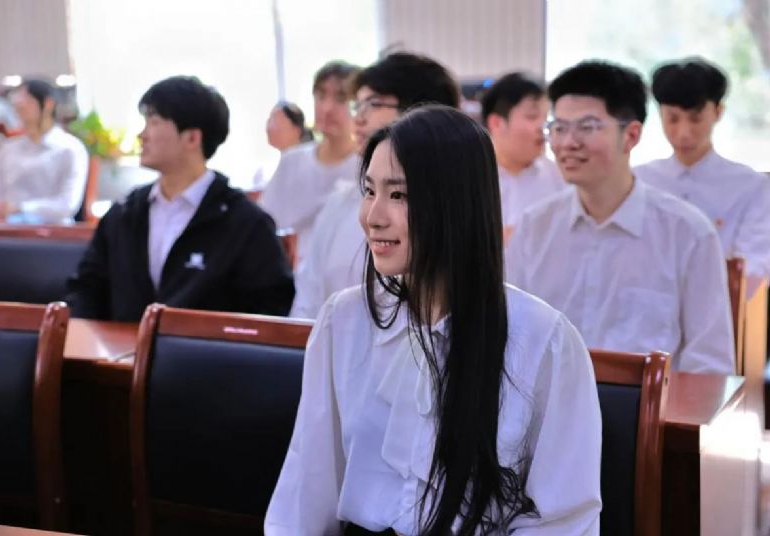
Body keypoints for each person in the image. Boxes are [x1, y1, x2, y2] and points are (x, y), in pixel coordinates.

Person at [266, 105, 602, 534]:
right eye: (369, 191)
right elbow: (307, 487)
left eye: (399, 195)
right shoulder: (344, 321)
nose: (373, 216)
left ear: (457, 203)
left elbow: (564, 520)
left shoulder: (543, 339)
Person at [507, 60, 734, 374]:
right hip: (547, 402)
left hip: (650, 404)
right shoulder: (535, 228)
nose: (568, 143)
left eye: (587, 127)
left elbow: (708, 364)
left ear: (631, 135)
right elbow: (510, 337)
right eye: (559, 128)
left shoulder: (688, 233)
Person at [66, 75, 294, 322]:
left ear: (192, 138)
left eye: (154, 122)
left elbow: (269, 308)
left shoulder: (245, 223)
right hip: (118, 348)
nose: (142, 135)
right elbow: (85, 290)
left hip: (205, 348)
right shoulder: (124, 214)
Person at [290, 52, 459, 319]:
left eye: (373, 104)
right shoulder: (339, 203)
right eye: (357, 106)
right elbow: (307, 302)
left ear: (421, 112)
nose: (358, 119)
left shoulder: (454, 206)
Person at [634, 57, 770, 296]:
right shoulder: (638, 181)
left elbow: (756, 263)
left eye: (695, 119)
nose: (684, 133)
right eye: (673, 118)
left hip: (721, 306)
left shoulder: (751, 186)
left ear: (718, 112)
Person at [258, 61, 360, 262]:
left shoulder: (368, 166)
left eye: (340, 98)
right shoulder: (293, 161)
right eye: (320, 96)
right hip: (298, 272)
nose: (327, 108)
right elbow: (265, 223)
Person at [0, 78, 89, 223]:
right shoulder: (7, 149)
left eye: (27, 101)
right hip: (6, 229)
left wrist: (21, 208)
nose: (20, 106)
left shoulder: (70, 148)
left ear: (48, 104)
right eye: (17, 102)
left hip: (53, 229)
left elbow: (67, 205)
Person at [480, 72, 566, 240]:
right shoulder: (470, 178)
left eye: (547, 117)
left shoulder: (559, 178)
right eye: (532, 117)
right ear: (496, 123)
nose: (544, 127)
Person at [251, 101, 313, 188]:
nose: (269, 127)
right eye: (269, 120)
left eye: (276, 121)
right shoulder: (264, 172)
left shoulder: (311, 167)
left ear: (296, 129)